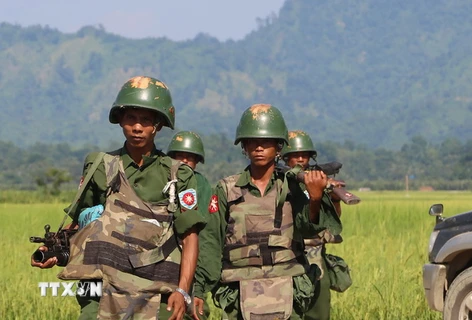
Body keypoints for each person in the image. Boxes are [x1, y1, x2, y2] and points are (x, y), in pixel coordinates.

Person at [31, 76, 206, 320]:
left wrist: (183, 290)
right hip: (101, 285)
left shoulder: (178, 175)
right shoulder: (99, 166)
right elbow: (81, 221)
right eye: (130, 118)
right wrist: (53, 249)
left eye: (145, 120)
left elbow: (189, 237)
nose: (137, 127)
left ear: (158, 125)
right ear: (120, 121)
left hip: (157, 288)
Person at [192, 104, 342, 320]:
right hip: (238, 290)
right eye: (252, 141)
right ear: (244, 146)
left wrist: (316, 198)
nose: (259, 147)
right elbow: (211, 242)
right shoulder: (226, 189)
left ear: (278, 147)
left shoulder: (293, 187)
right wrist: (199, 290)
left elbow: (308, 230)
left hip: (288, 288)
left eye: (266, 142)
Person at [281, 130, 342, 320]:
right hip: (288, 255)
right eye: (295, 155)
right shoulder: (280, 181)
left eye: (304, 155)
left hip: (315, 255)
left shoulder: (317, 180)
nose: (300, 159)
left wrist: (334, 197)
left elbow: (332, 220)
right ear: (285, 157)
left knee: (318, 310)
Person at [166, 131, 215, 320]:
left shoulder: (200, 184)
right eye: (179, 156)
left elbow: (205, 235)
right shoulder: (165, 179)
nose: (184, 161)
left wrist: (200, 287)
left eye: (190, 157)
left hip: (190, 260)